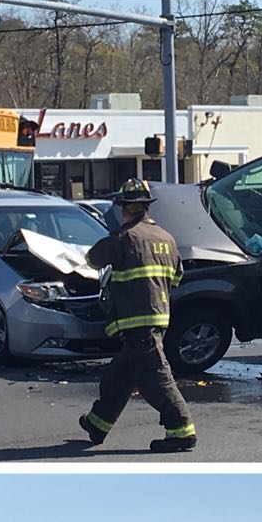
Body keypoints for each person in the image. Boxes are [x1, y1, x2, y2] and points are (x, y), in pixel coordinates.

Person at [78, 178, 196, 453]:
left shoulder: (124, 237)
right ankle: (98, 423)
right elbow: (177, 277)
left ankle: (182, 430)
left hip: (136, 322)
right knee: (119, 376)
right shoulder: (167, 239)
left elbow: (93, 259)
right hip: (158, 319)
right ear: (146, 207)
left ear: (126, 208)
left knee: (156, 378)